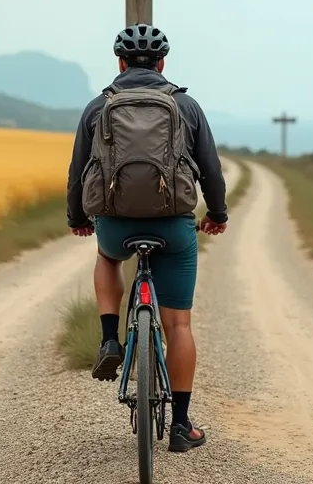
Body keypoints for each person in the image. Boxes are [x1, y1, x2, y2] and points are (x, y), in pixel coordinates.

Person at [66, 23, 229, 454]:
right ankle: (181, 425)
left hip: (117, 225)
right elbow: (210, 169)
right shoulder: (186, 105)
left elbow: (78, 170)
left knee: (106, 256)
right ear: (162, 63)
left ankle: (108, 337)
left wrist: (79, 218)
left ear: (119, 63)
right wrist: (217, 213)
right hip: (174, 224)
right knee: (178, 324)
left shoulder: (97, 107)